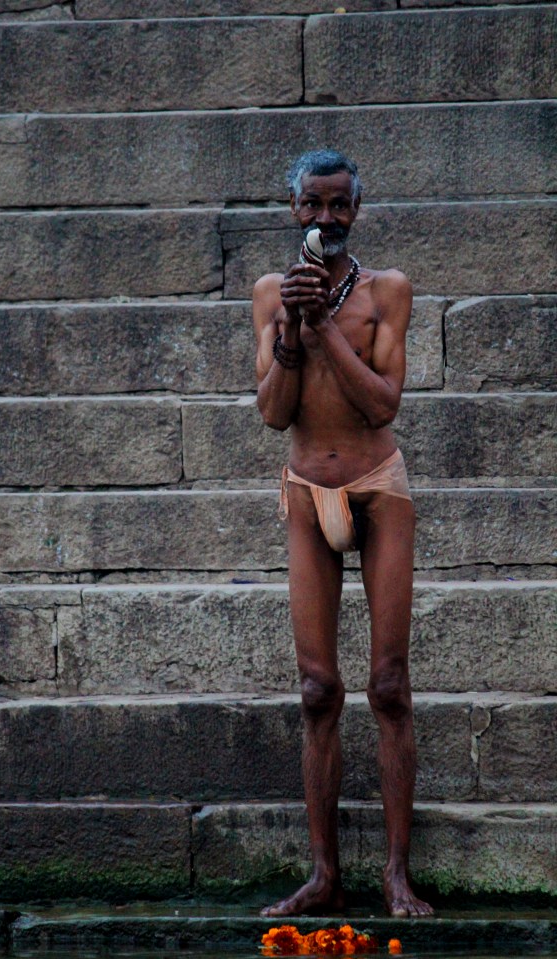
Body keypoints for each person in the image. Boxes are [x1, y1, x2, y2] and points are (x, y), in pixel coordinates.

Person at [253, 149, 433, 919]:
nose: (325, 220)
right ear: (293, 209)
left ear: (356, 209)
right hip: (304, 488)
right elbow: (273, 410)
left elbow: (382, 405)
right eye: (312, 206)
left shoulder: (387, 291)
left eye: (339, 206)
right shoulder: (270, 292)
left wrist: (325, 325)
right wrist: (292, 326)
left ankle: (396, 874)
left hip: (377, 488)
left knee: (388, 687)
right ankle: (323, 873)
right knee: (317, 690)